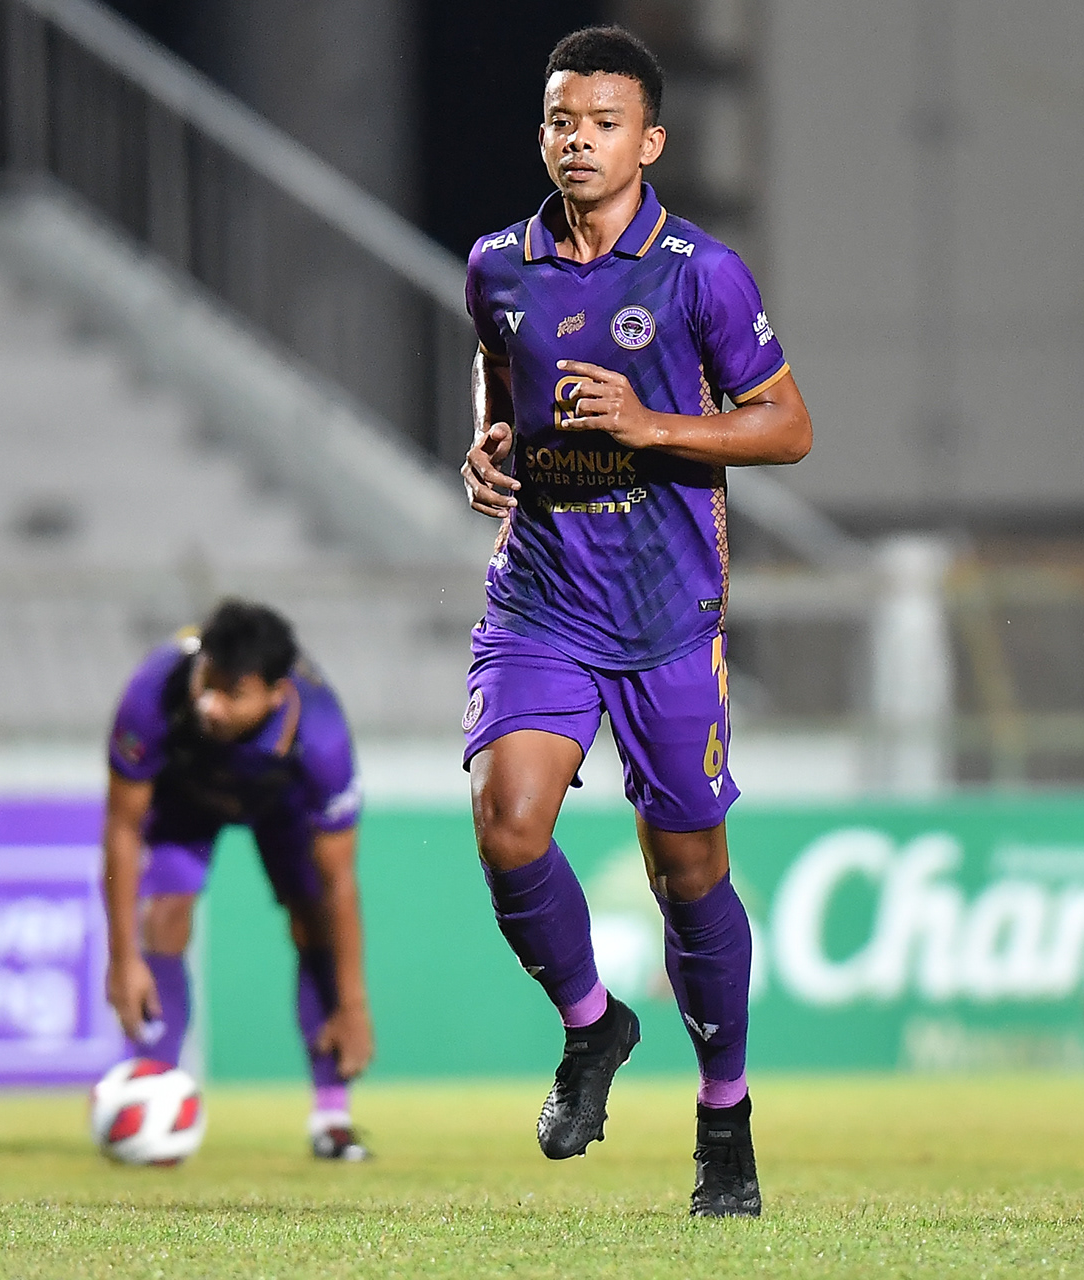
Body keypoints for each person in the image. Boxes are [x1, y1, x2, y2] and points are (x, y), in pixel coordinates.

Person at [456, 26, 811, 1216]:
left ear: (649, 141)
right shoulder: (497, 264)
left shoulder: (703, 274)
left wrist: (654, 427)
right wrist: (488, 440)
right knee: (509, 825)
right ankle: (592, 1024)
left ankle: (725, 1114)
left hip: (668, 613)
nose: (580, 141)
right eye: (563, 120)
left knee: (688, 871)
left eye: (604, 123)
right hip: (542, 596)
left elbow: (788, 426)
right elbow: (496, 363)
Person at [101, 600, 374, 1159]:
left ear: (276, 694)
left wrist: (352, 1003)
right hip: (186, 795)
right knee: (164, 916)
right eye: (207, 681)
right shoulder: (153, 693)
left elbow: (339, 883)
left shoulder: (322, 738)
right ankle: (152, 1095)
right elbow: (123, 830)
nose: (210, 703)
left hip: (283, 805)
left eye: (233, 693)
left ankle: (332, 1116)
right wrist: (122, 957)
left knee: (313, 922)